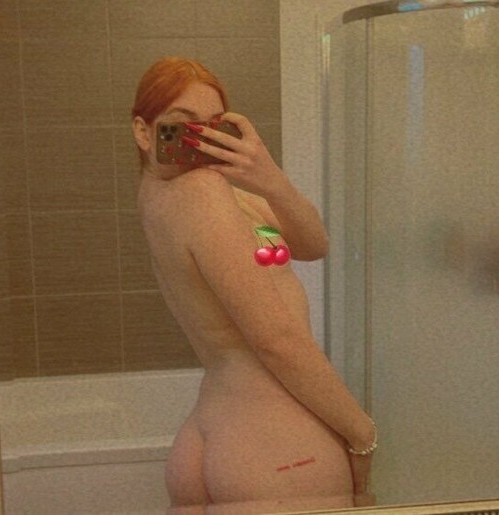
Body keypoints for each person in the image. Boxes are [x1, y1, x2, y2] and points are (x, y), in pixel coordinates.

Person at [131, 57, 377, 514]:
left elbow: (311, 244)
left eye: (212, 125)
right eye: (181, 124)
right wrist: (361, 433)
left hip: (214, 429)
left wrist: (269, 178)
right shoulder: (203, 195)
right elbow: (276, 339)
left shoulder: (169, 195)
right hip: (276, 447)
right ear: (143, 132)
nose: (199, 138)